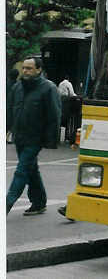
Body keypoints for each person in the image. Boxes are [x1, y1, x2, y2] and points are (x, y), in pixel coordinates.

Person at [6, 57, 61, 216]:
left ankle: (6, 204)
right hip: (20, 136)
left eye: (29, 68)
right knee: (31, 170)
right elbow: (10, 109)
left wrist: (50, 140)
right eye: (24, 68)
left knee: (21, 171)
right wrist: (7, 129)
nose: (25, 71)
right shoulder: (17, 87)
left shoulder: (48, 88)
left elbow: (54, 115)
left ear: (39, 70)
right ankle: (39, 203)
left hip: (35, 138)